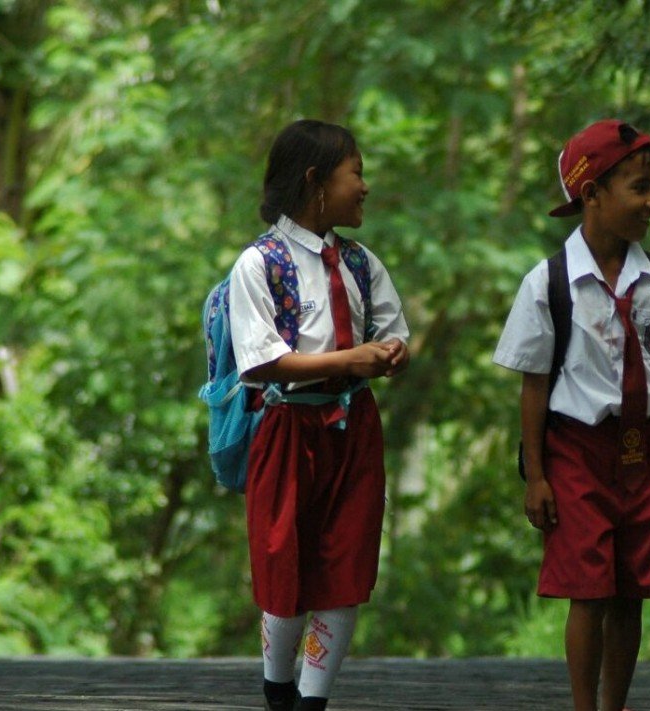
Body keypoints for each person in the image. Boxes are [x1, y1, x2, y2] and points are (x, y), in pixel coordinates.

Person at [493, 119, 650, 711]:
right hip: (578, 452)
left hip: (649, 452)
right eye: (639, 188)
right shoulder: (548, 284)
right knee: (588, 592)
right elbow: (534, 386)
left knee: (632, 591)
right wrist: (538, 476)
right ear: (590, 193)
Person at [228, 119, 410, 711]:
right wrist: (351, 358)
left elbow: (392, 331)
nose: (364, 186)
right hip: (288, 430)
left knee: (345, 561)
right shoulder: (260, 265)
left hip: (353, 429)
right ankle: (277, 692)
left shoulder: (359, 263)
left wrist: (390, 354)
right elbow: (262, 363)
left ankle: (313, 703)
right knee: (284, 566)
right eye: (355, 172)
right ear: (315, 181)